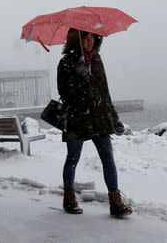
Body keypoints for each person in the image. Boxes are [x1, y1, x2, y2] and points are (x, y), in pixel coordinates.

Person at [57, 28, 132, 217]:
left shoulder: (97, 60)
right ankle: (69, 199)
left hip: (98, 116)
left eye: (92, 37)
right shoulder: (66, 62)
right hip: (77, 119)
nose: (90, 41)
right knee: (72, 159)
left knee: (108, 159)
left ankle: (115, 203)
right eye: (85, 37)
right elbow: (64, 93)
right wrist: (79, 77)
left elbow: (105, 91)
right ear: (76, 39)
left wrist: (114, 117)